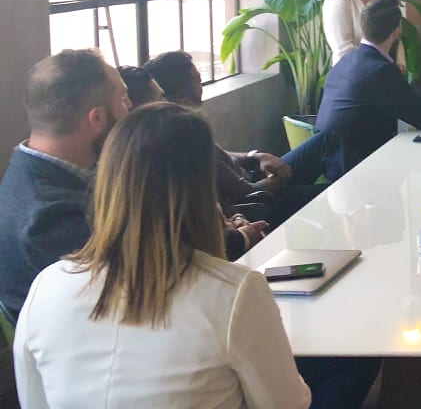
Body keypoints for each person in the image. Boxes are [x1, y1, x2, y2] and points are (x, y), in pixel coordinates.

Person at [13, 102, 312, 409]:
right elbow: (287, 404)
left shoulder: (45, 287)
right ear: (202, 189)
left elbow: (34, 400)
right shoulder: (233, 291)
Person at [0, 49, 130, 318]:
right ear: (97, 118)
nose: (131, 108)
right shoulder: (51, 218)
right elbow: (133, 295)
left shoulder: (28, 172)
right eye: (123, 98)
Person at [286, 0, 421, 182]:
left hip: (332, 164)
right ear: (397, 30)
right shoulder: (380, 71)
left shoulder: (347, 61)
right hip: (358, 174)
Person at [143, 50, 317, 227]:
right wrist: (277, 176)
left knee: (325, 141)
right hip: (260, 202)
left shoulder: (185, 124)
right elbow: (247, 193)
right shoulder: (184, 134)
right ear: (180, 93)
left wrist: (255, 156)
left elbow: (222, 153)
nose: (202, 86)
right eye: (198, 81)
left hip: (254, 174)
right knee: (328, 194)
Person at [119, 61, 270, 257]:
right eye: (161, 97)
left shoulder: (182, 131)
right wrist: (242, 236)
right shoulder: (168, 151)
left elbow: (215, 199)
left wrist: (237, 217)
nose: (168, 103)